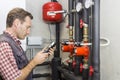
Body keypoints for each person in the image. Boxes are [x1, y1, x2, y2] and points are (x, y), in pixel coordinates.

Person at [0, 7, 54, 80]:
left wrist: (37, 59)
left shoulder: (14, 42)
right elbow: (14, 78)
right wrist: (34, 62)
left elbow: (22, 68)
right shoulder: (4, 45)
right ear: (16, 23)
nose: (28, 32)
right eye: (27, 27)